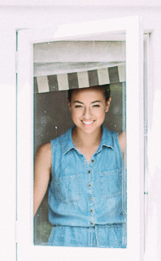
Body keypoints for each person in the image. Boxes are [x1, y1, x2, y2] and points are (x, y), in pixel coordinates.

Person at [32, 85, 127, 248]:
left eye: (95, 105)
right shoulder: (49, 153)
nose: (87, 115)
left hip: (114, 250)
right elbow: (27, 212)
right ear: (69, 105)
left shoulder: (124, 144)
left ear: (108, 104)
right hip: (65, 248)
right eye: (79, 106)